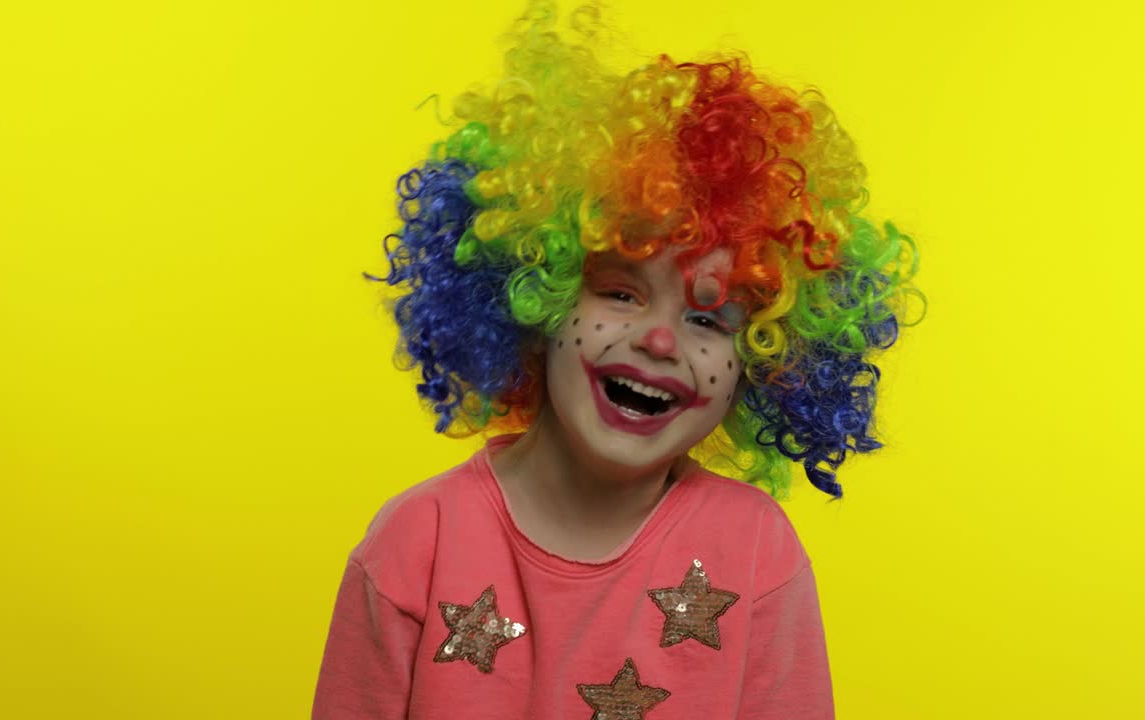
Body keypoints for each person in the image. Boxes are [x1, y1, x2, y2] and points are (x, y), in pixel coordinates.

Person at [313, 2, 923, 717]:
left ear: (763, 362)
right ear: (532, 297)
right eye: (620, 292)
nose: (660, 341)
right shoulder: (418, 543)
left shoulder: (756, 551)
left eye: (707, 317)